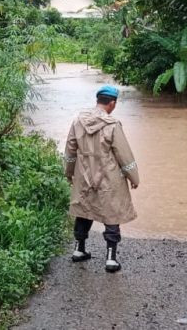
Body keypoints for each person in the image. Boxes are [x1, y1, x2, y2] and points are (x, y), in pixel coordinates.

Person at [64, 84, 139, 273]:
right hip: (108, 178)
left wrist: (69, 172)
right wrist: (133, 177)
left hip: (84, 177)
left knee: (84, 210)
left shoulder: (78, 121)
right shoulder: (112, 125)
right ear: (112, 103)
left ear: (98, 100)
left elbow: (70, 151)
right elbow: (124, 155)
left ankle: (79, 250)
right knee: (111, 213)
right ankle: (111, 259)